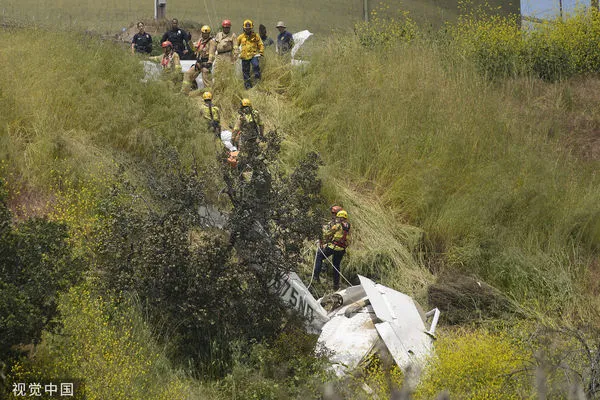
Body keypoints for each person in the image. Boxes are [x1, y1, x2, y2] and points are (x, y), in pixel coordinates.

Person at [313, 210, 351, 291]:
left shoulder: (337, 226)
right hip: (342, 249)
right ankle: (336, 285)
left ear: (340, 217)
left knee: (319, 256)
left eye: (338, 217)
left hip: (334, 247)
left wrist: (322, 230)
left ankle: (315, 277)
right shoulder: (348, 226)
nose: (337, 219)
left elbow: (327, 233)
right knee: (336, 266)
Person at [182, 25, 215, 93]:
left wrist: (209, 62)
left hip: (206, 63)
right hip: (199, 62)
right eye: (203, 33)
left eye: (206, 33)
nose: (205, 35)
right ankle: (184, 91)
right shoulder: (200, 40)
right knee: (188, 74)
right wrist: (189, 41)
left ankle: (209, 95)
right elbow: (194, 49)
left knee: (206, 80)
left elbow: (211, 53)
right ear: (201, 33)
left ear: (209, 34)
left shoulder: (211, 42)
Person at [237, 20, 264, 89]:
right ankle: (248, 87)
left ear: (251, 28)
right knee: (246, 72)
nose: (248, 30)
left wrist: (261, 52)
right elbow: (235, 45)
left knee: (256, 65)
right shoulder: (241, 37)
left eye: (249, 28)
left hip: (253, 55)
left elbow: (260, 44)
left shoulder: (256, 36)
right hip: (244, 56)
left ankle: (257, 82)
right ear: (244, 28)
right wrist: (236, 52)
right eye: (246, 29)